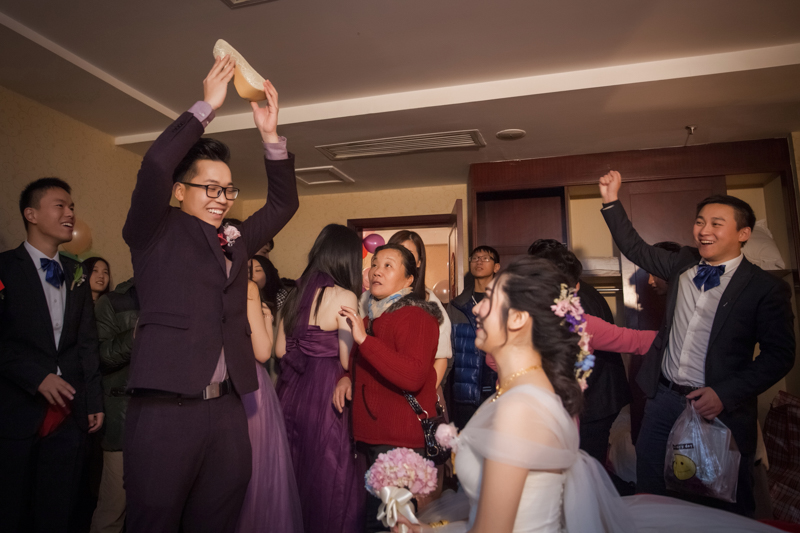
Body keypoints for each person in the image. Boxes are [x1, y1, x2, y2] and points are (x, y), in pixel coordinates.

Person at [392, 257, 781, 533]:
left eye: (490, 299)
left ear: (518, 319)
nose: (477, 310)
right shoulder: (525, 391)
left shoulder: (520, 408)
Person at [122, 56, 299, 531]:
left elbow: (283, 204)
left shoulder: (235, 240)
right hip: (165, 409)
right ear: (179, 191)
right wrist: (207, 108)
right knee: (154, 521)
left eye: (228, 190)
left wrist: (270, 135)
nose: (222, 199)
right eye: (210, 188)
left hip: (227, 407)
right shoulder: (153, 230)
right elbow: (156, 163)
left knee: (218, 519)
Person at [599, 170, 795, 516]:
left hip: (717, 407)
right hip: (663, 399)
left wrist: (724, 394)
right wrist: (611, 200)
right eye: (700, 222)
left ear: (743, 234)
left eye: (717, 224)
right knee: (651, 492)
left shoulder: (765, 288)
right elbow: (635, 247)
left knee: (719, 502)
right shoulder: (682, 262)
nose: (704, 230)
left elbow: (779, 356)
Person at [0, 177, 104, 531]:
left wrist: (94, 401)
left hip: (71, 412)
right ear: (31, 214)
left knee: (59, 508)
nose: (70, 213)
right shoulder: (4, 268)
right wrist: (36, 377)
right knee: (12, 507)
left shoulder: (77, 271)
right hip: (17, 409)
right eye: (60, 205)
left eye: (72, 207)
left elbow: (87, 342)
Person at [336, 244, 442, 533]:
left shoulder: (417, 316)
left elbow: (412, 376)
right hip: (372, 436)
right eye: (375, 264)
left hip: (400, 441)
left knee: (392, 524)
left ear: (409, 279)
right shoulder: (372, 317)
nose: (376, 271)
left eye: (388, 265)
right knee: (376, 521)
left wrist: (364, 341)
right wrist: (346, 377)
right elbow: (361, 363)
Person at [275, 224, 364, 533]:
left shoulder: (293, 293)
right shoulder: (344, 296)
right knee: (328, 472)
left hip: (290, 388)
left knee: (292, 467)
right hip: (326, 389)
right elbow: (346, 359)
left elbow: (278, 350)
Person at [527, 240, 631, 469]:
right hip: (593, 397)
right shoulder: (571, 292)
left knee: (584, 468)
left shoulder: (576, 302)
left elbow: (583, 358)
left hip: (595, 400)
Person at [236, 273, 303, 533]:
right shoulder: (246, 288)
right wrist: (265, 319)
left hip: (214, 382)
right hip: (249, 384)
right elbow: (264, 351)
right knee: (258, 468)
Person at [359, 230, 452, 390]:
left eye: (407, 252)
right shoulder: (366, 299)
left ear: (418, 262)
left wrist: (426, 395)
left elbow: (441, 357)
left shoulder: (427, 303)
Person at [90, 277, 138, 533]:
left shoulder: (179, 298)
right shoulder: (113, 301)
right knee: (113, 507)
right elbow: (98, 356)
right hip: (123, 416)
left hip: (168, 418)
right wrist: (134, 336)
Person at [446, 246, 500, 430]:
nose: (479, 261)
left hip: (498, 388)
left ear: (496, 267)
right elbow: (449, 351)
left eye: (486, 258)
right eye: (475, 258)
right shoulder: (457, 305)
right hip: (465, 392)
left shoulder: (506, 301)